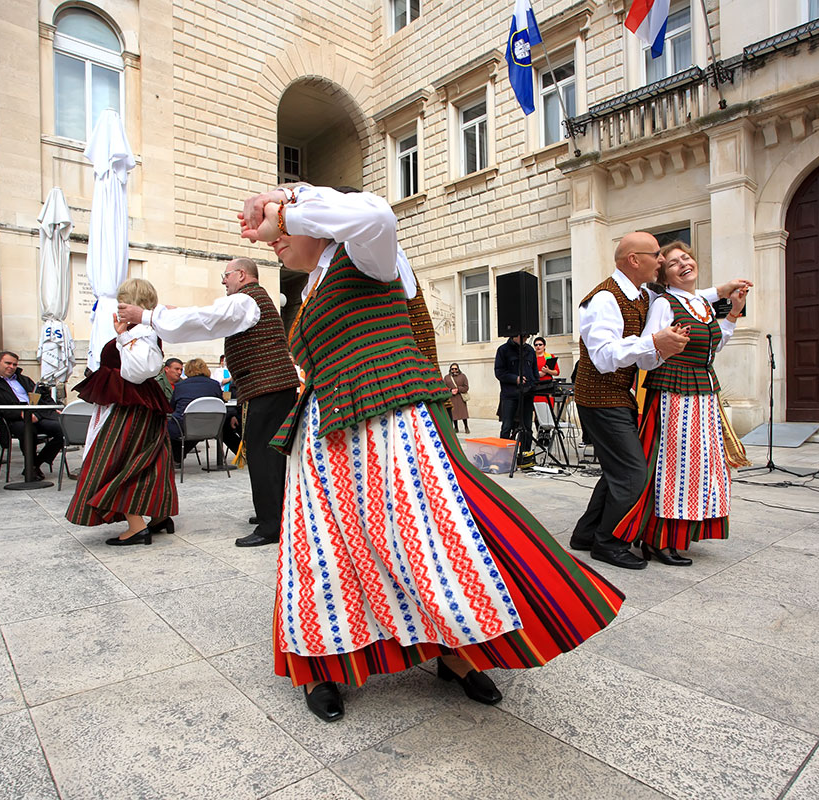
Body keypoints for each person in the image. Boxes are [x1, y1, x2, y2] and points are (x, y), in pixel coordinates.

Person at [239, 183, 623, 723]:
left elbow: (374, 212)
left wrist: (287, 203)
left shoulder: (368, 250)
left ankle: (456, 651)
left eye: (281, 232)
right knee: (325, 548)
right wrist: (283, 220)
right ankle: (323, 662)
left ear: (319, 218)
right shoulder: (307, 291)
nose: (273, 239)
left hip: (391, 410)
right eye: (271, 233)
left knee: (424, 536)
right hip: (326, 429)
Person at [569, 233, 751, 570]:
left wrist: (724, 295)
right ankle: (608, 543)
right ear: (635, 260)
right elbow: (603, 358)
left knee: (617, 471)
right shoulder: (604, 299)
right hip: (600, 397)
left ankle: (586, 534)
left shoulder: (639, 292)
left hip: (621, 396)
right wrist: (655, 341)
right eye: (658, 256)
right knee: (634, 473)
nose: (662, 261)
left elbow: (687, 298)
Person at [117, 257, 299, 547]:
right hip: (273, 387)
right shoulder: (251, 301)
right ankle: (274, 513)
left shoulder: (244, 301)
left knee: (264, 456)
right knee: (269, 454)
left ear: (241, 274)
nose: (223, 281)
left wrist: (148, 317)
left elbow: (205, 318)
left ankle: (271, 525)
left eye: (225, 275)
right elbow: (203, 316)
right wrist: (163, 314)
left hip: (268, 388)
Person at [621, 242, 746, 565]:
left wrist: (732, 311)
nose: (683, 264)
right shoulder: (665, 304)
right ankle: (656, 539)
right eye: (674, 262)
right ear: (664, 274)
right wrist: (663, 346)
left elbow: (713, 346)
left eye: (686, 258)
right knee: (672, 468)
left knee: (700, 467)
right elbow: (648, 356)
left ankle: (678, 535)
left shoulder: (699, 303)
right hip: (674, 394)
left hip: (703, 394)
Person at [66, 278, 177, 545]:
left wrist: (123, 336)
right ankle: (159, 515)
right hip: (138, 402)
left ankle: (137, 527)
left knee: (119, 460)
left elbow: (141, 370)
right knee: (150, 457)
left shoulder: (142, 330)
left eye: (123, 300)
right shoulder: (139, 328)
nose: (120, 305)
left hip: (131, 405)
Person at [0, 350, 67, 481]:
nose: (11, 367)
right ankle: (31, 467)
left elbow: (42, 395)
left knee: (63, 429)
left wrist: (52, 409)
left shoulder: (24, 379)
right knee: (27, 431)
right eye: (8, 363)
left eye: (14, 364)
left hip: (36, 415)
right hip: (12, 420)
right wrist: (21, 414)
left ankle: (36, 464)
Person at [168, 357, 224, 462]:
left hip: (184, 427)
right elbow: (220, 403)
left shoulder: (180, 386)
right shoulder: (214, 385)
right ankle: (177, 457)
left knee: (169, 426)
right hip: (210, 427)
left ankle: (174, 457)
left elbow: (172, 408)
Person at [494, 333, 538, 465]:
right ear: (515, 336)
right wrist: (515, 379)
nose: (525, 340)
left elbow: (534, 371)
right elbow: (499, 372)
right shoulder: (503, 350)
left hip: (527, 394)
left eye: (526, 337)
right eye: (522, 337)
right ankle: (504, 457)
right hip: (510, 395)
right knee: (507, 426)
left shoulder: (529, 350)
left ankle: (524, 456)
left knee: (527, 427)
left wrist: (535, 383)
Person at [532, 337, 560, 409]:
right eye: (536, 345)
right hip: (536, 386)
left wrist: (548, 371)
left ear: (544, 346)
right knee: (537, 409)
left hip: (548, 386)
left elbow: (557, 372)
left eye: (540, 344)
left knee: (548, 409)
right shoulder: (532, 357)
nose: (538, 346)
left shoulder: (549, 357)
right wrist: (537, 374)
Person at [445, 363, 470, 433]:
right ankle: (456, 428)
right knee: (454, 414)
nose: (454, 370)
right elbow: (444, 387)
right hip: (452, 398)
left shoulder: (463, 376)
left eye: (455, 369)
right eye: (452, 369)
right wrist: (450, 390)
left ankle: (466, 427)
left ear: (458, 369)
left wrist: (458, 389)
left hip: (460, 398)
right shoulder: (447, 377)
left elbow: (466, 387)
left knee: (463, 414)